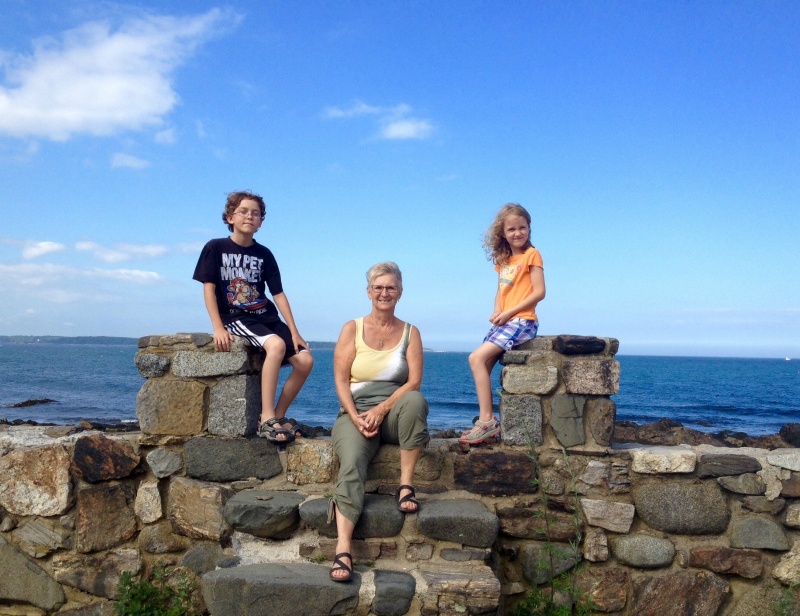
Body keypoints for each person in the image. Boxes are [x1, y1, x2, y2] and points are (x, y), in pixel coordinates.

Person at [328, 262, 429, 582]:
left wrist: (383, 409)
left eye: (391, 287)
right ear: (369, 291)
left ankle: (406, 487)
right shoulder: (351, 328)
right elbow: (341, 381)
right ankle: (343, 549)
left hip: (393, 412)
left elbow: (413, 382)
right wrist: (356, 417)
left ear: (400, 292)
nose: (384, 292)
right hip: (354, 413)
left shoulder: (411, 332)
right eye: (378, 287)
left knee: (416, 401)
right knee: (353, 462)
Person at [193, 191, 314, 443]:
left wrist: (294, 331)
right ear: (230, 217)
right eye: (243, 211)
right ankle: (266, 418)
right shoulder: (215, 248)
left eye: (256, 213)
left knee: (305, 362)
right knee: (276, 345)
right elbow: (209, 289)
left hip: (266, 316)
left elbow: (278, 293)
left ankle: (279, 415)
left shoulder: (265, 254)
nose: (250, 216)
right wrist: (217, 327)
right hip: (235, 316)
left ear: (261, 221)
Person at [462, 203, 546, 446]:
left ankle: (487, 422)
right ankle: (486, 420)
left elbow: (539, 292)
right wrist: (498, 310)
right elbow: (501, 290)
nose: (517, 233)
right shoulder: (505, 259)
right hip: (508, 320)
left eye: (522, 228)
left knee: (475, 358)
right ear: (503, 233)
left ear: (529, 229)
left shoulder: (532, 255)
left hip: (523, 320)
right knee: (484, 363)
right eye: (512, 229)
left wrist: (509, 311)